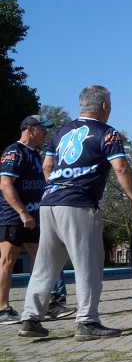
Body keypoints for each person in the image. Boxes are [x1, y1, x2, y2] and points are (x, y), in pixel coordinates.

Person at [19, 86, 132, 340]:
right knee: (88, 264)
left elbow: (47, 166)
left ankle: (30, 318)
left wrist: (56, 187)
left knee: (45, 265)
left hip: (49, 202)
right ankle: (87, 321)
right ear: (104, 107)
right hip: (78, 204)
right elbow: (121, 168)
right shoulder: (107, 133)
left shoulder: (61, 132)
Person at [1, 116, 76, 324]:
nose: (45, 133)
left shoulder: (34, 154)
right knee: (7, 261)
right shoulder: (14, 151)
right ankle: (2, 308)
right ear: (30, 129)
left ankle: (50, 303)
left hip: (35, 217)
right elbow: (6, 185)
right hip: (14, 216)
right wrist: (22, 212)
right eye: (42, 129)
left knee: (45, 260)